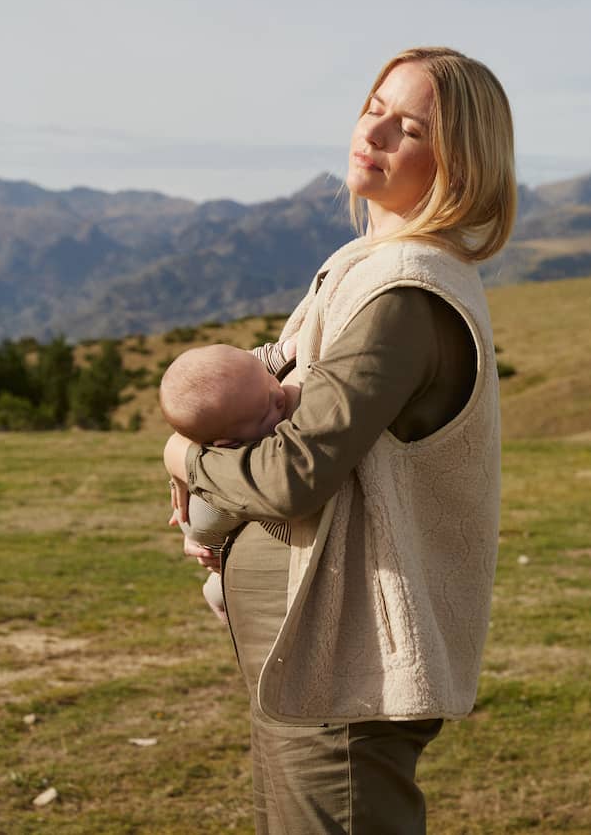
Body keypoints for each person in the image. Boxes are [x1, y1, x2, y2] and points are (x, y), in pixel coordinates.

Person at [164, 46, 516, 834]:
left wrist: (186, 459)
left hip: (346, 672)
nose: (376, 131)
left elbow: (296, 474)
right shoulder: (363, 268)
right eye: (375, 107)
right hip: (315, 664)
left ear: (459, 162)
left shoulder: (403, 294)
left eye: (412, 127)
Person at [160, 342, 300, 620]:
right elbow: (284, 526)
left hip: (214, 539)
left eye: (269, 378)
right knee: (218, 594)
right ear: (228, 445)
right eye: (268, 409)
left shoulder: (247, 385)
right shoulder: (243, 466)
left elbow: (248, 363)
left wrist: (288, 350)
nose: (278, 393)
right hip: (224, 554)